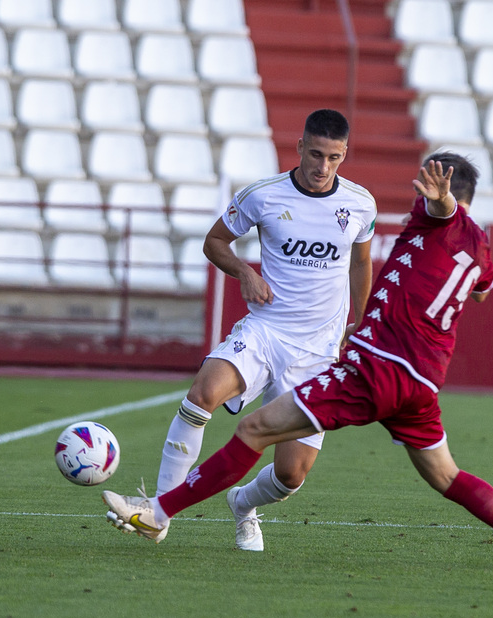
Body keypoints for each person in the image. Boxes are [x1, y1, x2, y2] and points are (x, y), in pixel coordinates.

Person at [104, 152, 493, 571]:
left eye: (426, 186)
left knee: (253, 432)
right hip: (421, 385)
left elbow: (442, 210)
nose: (419, 194)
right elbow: (481, 291)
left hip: (374, 370)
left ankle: (158, 513)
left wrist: (443, 204)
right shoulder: (481, 247)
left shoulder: (435, 216)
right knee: (447, 476)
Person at [150, 109, 377, 550]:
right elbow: (214, 242)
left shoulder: (360, 203)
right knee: (202, 394)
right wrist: (245, 273)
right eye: (315, 154)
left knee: (291, 474)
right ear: (299, 147)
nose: (322, 167)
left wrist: (362, 322)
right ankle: (157, 512)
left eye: (333, 158)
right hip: (266, 331)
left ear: (344, 154)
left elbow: (361, 261)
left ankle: (243, 505)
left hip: (317, 351)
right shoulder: (263, 195)